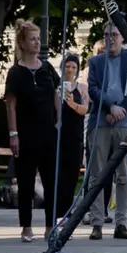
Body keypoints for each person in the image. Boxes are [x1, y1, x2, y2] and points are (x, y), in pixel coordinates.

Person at [84, 12, 127, 241]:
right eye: (107, 35)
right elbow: (92, 89)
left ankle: (121, 223)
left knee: (123, 174)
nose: (110, 38)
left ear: (122, 38)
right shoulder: (95, 62)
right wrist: (110, 107)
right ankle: (97, 222)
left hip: (125, 122)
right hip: (100, 122)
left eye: (115, 34)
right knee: (97, 175)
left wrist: (119, 110)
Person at [2, 21, 60, 242]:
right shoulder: (16, 72)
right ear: (23, 43)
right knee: (25, 181)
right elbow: (11, 105)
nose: (37, 42)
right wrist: (13, 133)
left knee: (50, 181)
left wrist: (58, 121)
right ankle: (26, 226)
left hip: (47, 132)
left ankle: (50, 225)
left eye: (38, 38)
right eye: (33, 39)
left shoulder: (46, 68)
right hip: (26, 133)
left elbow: (55, 94)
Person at [56, 55, 89, 228]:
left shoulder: (82, 88)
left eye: (73, 67)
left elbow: (85, 109)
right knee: (58, 175)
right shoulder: (56, 87)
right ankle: (57, 212)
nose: (70, 70)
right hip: (59, 135)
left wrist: (72, 104)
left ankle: (67, 211)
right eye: (67, 67)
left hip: (75, 135)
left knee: (72, 175)